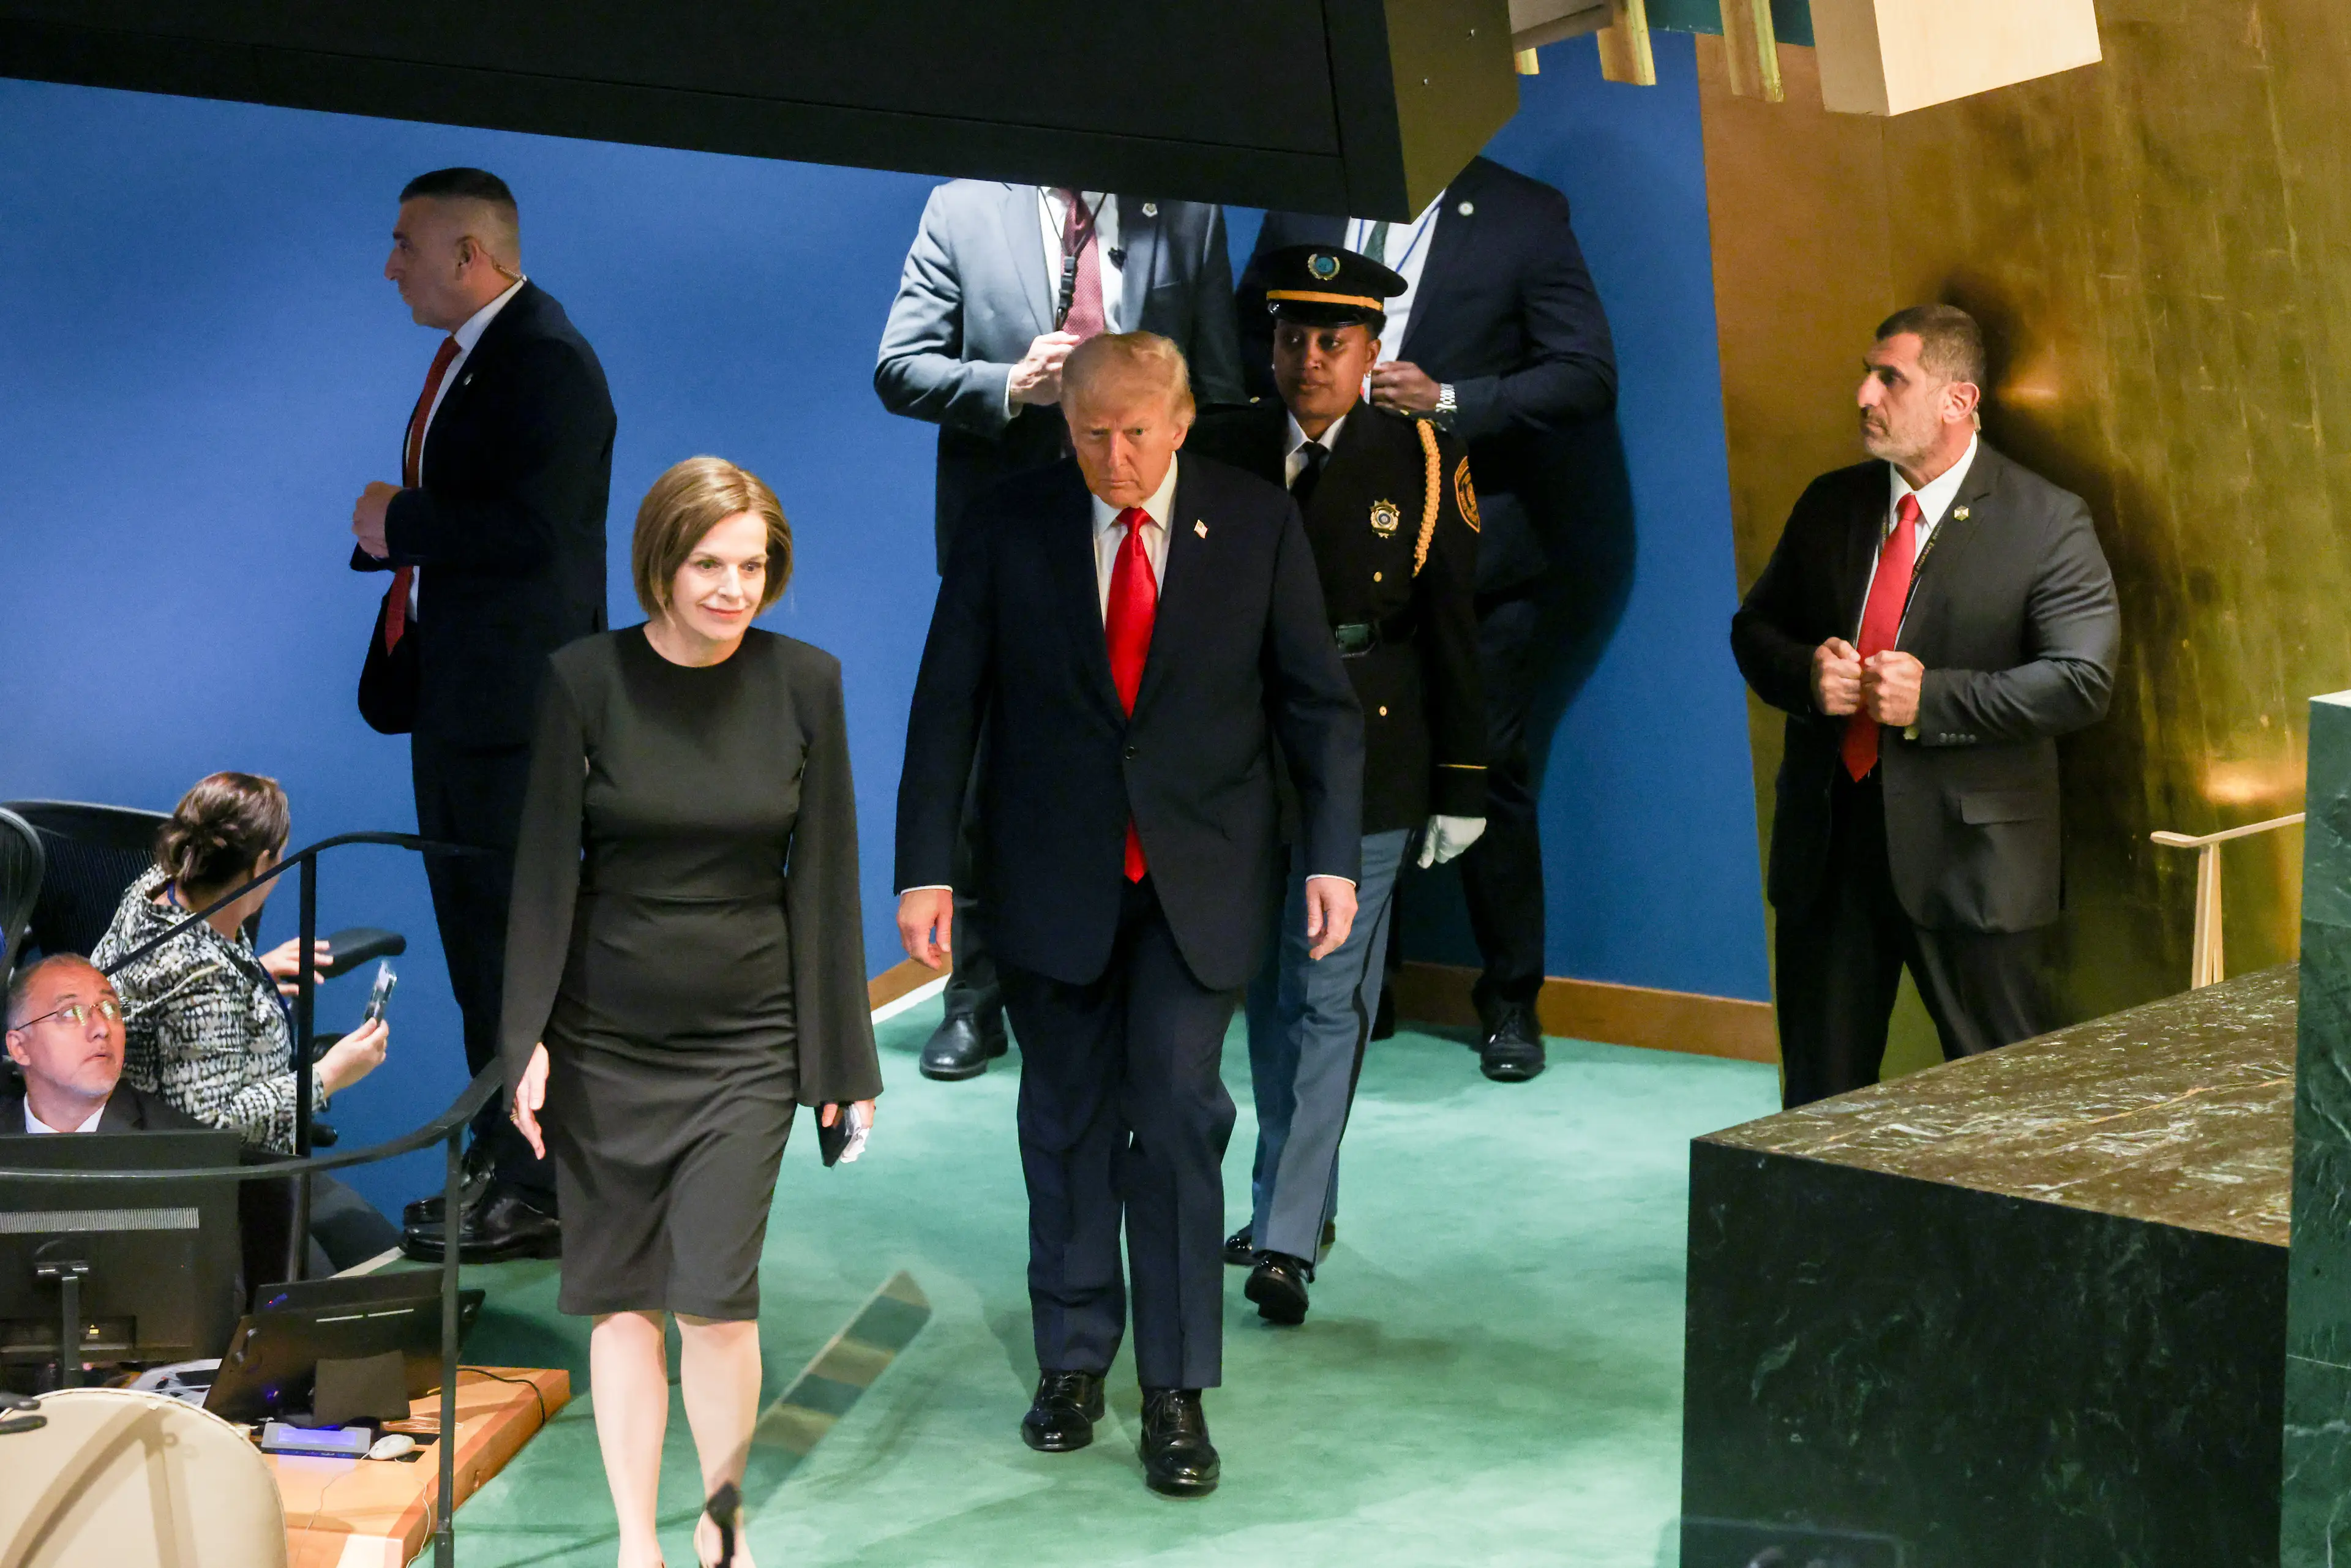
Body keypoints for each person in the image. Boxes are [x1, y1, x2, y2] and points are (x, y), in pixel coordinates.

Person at [895, 331, 1363, 1496]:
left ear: (1184, 420)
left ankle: (1175, 1389)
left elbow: (1318, 706)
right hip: (1054, 878)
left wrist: (1333, 858)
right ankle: (1070, 1362)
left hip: (1201, 880)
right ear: (1065, 425)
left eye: (1137, 432)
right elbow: (947, 702)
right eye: (1092, 433)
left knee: (1174, 1106)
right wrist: (923, 870)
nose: (1115, 456)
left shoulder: (1255, 523)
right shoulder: (1010, 524)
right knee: (1062, 1124)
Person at [500, 457, 881, 1568]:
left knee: (717, 1300)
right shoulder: (585, 681)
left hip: (746, 1044)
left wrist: (840, 1062)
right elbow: (543, 878)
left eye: (753, 566)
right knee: (623, 1303)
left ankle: (722, 1533)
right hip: (604, 1041)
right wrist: (523, 1041)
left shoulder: (807, 682)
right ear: (661, 561)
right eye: (709, 563)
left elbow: (827, 880)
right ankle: (636, 1544)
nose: (731, 588)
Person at [1238, 156, 1618, 1081]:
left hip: (1471, 543)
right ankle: (1364, 988)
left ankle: (1511, 1000)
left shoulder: (1528, 212)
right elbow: (1248, 335)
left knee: (1487, 766)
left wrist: (1449, 403)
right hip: (1317, 541)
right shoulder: (1301, 194)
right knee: (1333, 761)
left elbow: (1584, 374)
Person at [876, 182, 1246, 1082]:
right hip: (1014, 539)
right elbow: (900, 367)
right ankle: (973, 997)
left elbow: (1222, 384)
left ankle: (1140, 965)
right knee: (988, 756)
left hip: (1147, 536)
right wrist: (1009, 384)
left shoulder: (1184, 211)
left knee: (1138, 746)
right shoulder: (962, 210)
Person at [1188, 246, 1486, 1326]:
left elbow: (1454, 624)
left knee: (1326, 996)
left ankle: (1282, 1236)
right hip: (1240, 751)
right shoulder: (1216, 443)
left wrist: (1462, 779)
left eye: (1334, 341)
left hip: (1369, 748)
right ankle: (1294, 1205)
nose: (1309, 360)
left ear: (1372, 352)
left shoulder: (1417, 456)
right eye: (1293, 337)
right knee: (1271, 995)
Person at [1730, 304, 2120, 1109]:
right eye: (1867, 373)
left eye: (1889, 378)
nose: (1863, 393)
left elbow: (2081, 679)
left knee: (2003, 1104)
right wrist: (1808, 676)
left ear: (1958, 400)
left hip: (1972, 865)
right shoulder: (1830, 503)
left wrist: (1931, 697)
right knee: (1818, 1107)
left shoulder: (2046, 520)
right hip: (1830, 857)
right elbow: (1754, 630)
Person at [349, 167, 616, 1262]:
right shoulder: (482, 358)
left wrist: (399, 518)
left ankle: (541, 1179)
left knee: (516, 946)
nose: (390, 263)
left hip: (518, 715)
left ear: (470, 254)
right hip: (464, 705)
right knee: (477, 940)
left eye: (406, 242)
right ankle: (504, 1160)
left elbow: (538, 538)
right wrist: (401, 525)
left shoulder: (544, 361)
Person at [91, 773, 401, 1270]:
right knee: (348, 1300)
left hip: (232, 1163)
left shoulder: (157, 888)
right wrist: (327, 1077)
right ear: (262, 864)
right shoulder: (199, 979)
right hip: (227, 1189)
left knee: (382, 1255)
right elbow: (212, 1124)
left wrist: (253, 970)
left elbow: (185, 975)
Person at [4, 956, 201, 1135]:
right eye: (71, 1013)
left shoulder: (184, 1148)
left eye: (109, 1008)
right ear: (20, 1048)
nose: (102, 1028)